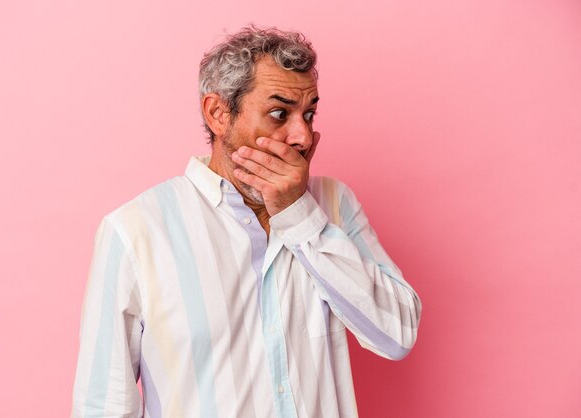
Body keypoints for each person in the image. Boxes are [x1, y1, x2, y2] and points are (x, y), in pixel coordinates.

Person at [72, 25, 422, 418]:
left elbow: (397, 334)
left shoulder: (333, 205)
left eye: (309, 114)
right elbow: (102, 406)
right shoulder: (135, 231)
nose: (303, 136)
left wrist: (300, 217)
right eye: (279, 113)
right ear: (219, 115)